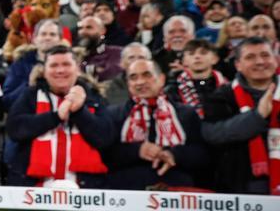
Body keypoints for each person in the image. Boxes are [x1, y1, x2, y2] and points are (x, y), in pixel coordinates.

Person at [6, 45, 115, 187]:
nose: (60, 70)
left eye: (66, 64)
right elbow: (15, 129)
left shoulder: (93, 97)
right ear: (44, 71)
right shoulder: (30, 95)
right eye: (54, 65)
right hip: (34, 189)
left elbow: (105, 138)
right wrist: (56, 116)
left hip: (84, 190)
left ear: (77, 69)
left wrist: (79, 111)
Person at [104, 59, 207, 190]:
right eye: (133, 78)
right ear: (128, 84)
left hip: (176, 190)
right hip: (125, 191)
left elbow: (203, 155)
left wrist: (174, 154)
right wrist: (137, 151)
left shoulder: (186, 113)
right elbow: (104, 154)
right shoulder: (114, 114)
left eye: (147, 75)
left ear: (162, 79)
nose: (140, 82)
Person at [202, 37, 280, 194]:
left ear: (276, 60)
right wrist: (257, 116)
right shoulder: (221, 96)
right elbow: (212, 134)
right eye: (250, 57)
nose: (259, 62)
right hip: (241, 186)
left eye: (265, 55)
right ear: (238, 65)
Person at [165, 39, 226, 118]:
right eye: (191, 54)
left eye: (203, 53)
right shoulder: (172, 90)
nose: (197, 56)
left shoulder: (228, 86)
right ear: (184, 61)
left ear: (215, 59)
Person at [101, 42, 152, 107]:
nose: (136, 61)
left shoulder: (158, 84)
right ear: (122, 63)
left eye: (141, 57)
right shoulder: (110, 87)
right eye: (131, 58)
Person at [76, 15, 123, 83]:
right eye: (80, 28)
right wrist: (94, 69)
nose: (83, 31)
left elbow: (110, 75)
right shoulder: (72, 54)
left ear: (102, 31)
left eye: (89, 27)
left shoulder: (115, 52)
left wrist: (83, 69)